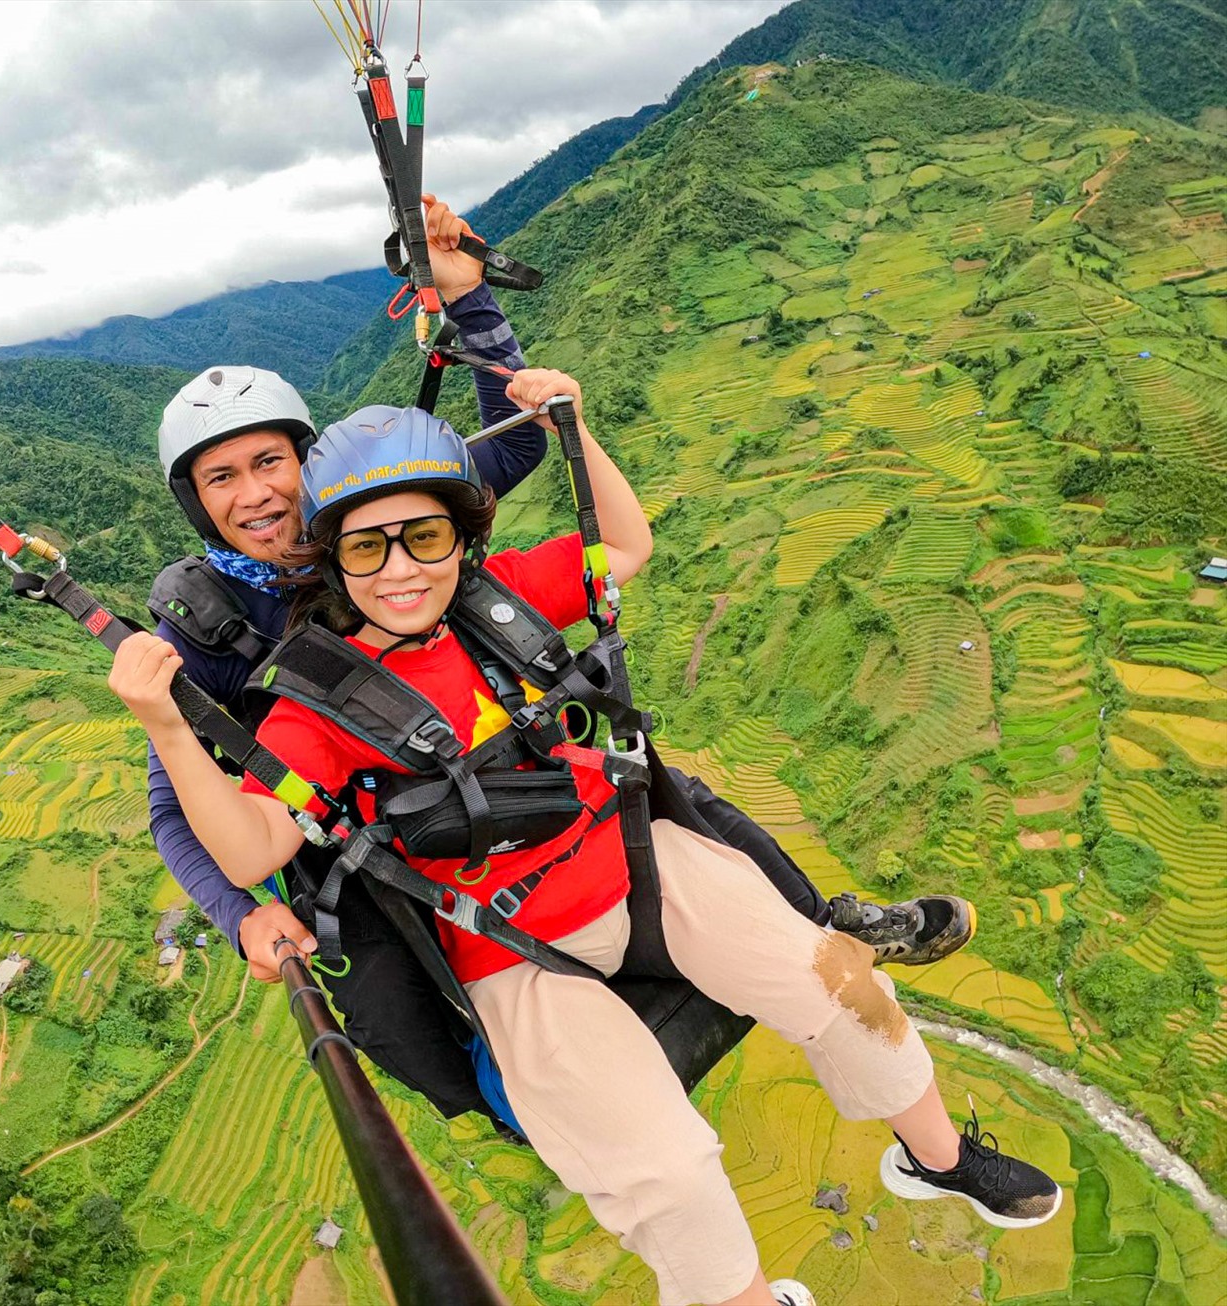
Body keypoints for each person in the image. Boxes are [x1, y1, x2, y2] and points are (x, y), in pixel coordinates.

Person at [113, 381, 1060, 1306]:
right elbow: (245, 851)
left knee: (851, 989)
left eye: (426, 536)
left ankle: (936, 1156)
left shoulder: (505, 601)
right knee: (660, 1168)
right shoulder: (314, 701)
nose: (401, 568)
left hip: (635, 867)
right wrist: (163, 723)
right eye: (368, 547)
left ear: (461, 538)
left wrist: (576, 423)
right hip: (510, 946)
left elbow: (624, 543)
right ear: (332, 558)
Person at [143, 198, 975, 1127]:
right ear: (195, 503)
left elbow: (519, 434)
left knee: (687, 809)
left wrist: (471, 305)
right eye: (221, 478)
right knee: (384, 1009)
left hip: (496, 748)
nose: (257, 494)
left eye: (271, 463)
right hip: (370, 822)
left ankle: (828, 931)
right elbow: (173, 802)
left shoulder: (382, 508)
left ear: (311, 461)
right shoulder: (207, 626)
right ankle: (519, 1102)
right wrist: (239, 909)